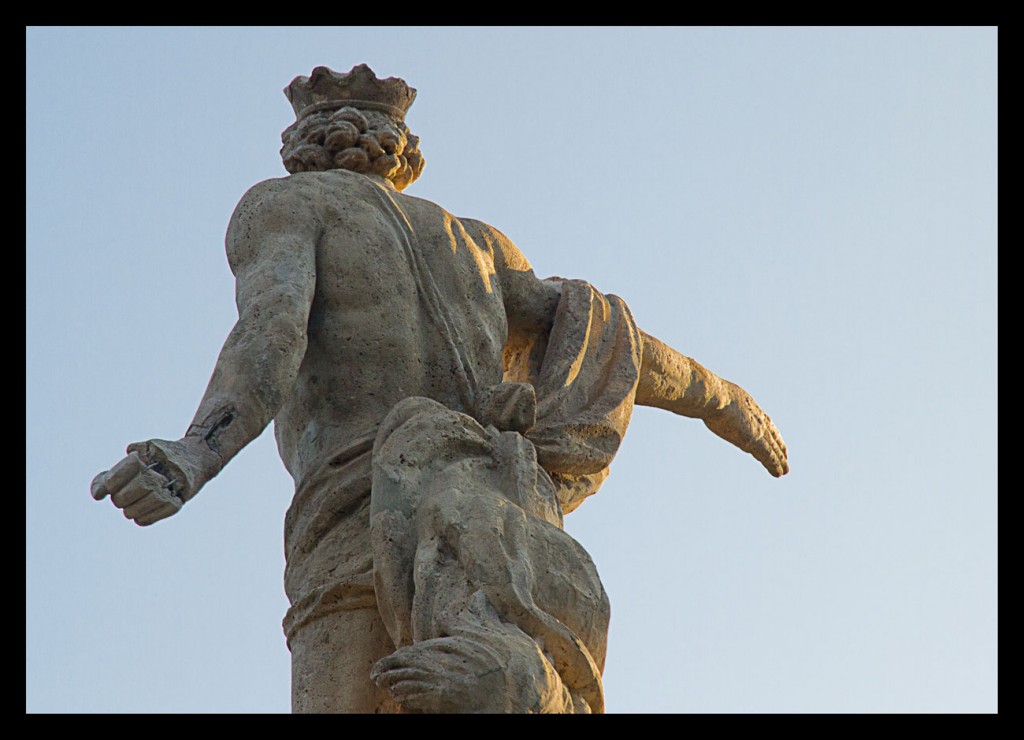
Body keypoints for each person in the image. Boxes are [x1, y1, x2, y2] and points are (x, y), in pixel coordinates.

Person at [91, 64, 788, 713]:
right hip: (496, 510)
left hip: (362, 509)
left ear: (300, 146)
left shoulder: (286, 206)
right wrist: (724, 400)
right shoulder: (479, 246)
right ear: (403, 154)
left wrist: (193, 453)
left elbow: (271, 337)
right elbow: (608, 338)